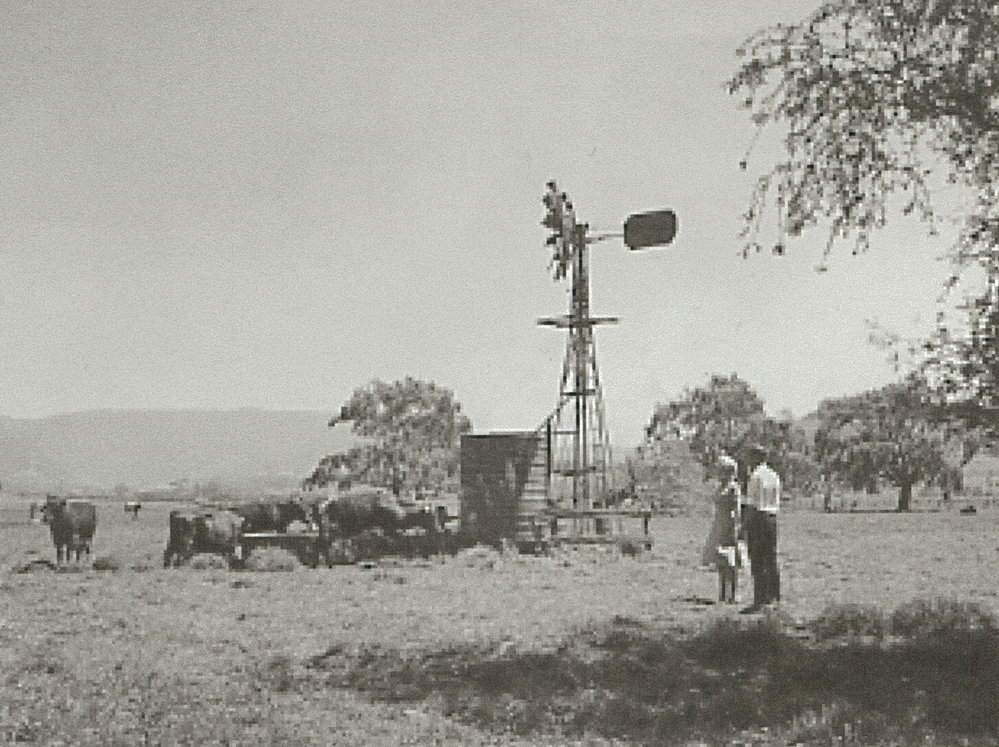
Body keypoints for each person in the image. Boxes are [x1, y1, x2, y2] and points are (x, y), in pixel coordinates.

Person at [742, 445, 781, 612]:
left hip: (758, 517)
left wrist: (745, 524)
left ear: (755, 457)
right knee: (770, 557)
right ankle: (774, 595)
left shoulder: (756, 476)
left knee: (757, 559)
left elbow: (752, 504)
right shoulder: (774, 475)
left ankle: (760, 598)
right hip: (772, 517)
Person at [701, 455, 742, 603]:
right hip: (718, 523)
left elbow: (737, 509)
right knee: (720, 559)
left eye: (722, 470)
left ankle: (734, 593)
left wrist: (737, 526)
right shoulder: (720, 487)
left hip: (729, 525)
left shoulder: (733, 488)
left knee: (731, 560)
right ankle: (722, 593)